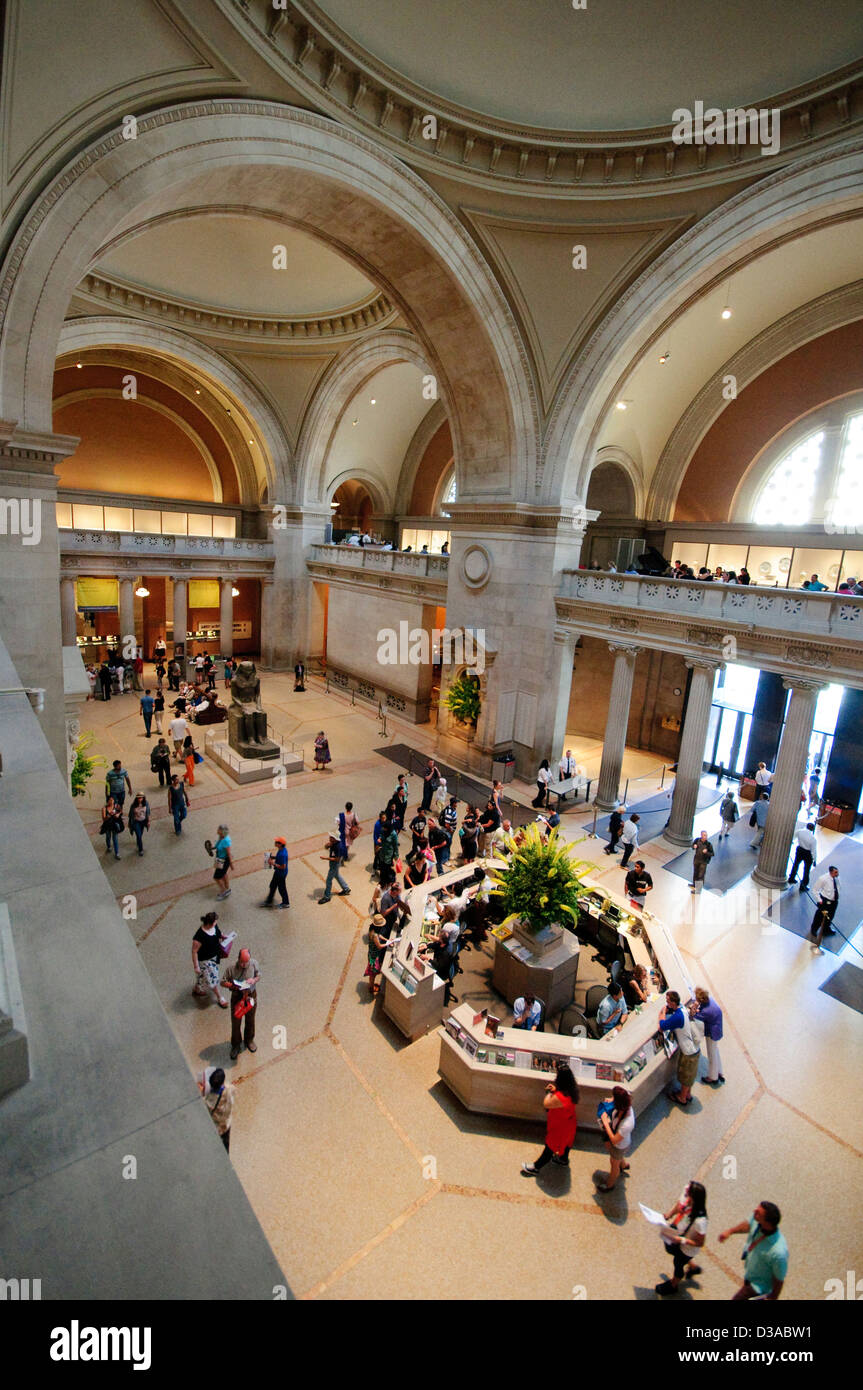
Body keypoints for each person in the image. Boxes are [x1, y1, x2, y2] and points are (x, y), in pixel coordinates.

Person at [719, 1202, 788, 1301]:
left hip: (758, 1288)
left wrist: (773, 1297)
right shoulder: (758, 1221)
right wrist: (730, 1231)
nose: (754, 1212)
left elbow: (779, 1279)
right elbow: (748, 1224)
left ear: (767, 1222)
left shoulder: (778, 1252)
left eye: (758, 1213)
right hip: (750, 1277)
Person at [520, 1065, 579, 1175]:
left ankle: (536, 1167)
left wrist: (549, 1093)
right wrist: (556, 1090)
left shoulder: (560, 1097)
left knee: (550, 1148)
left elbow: (546, 1104)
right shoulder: (572, 1090)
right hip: (570, 1123)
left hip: (560, 1127)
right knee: (567, 1144)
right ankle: (563, 1160)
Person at [655, 1181, 708, 1296]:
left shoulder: (700, 1221)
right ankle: (693, 1267)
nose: (686, 1197)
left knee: (678, 1263)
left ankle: (673, 1284)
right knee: (670, 1249)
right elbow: (679, 1205)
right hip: (678, 1235)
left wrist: (681, 1240)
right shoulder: (689, 1203)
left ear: (694, 1198)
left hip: (687, 1248)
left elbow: (700, 1242)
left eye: (688, 1195)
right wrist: (669, 1215)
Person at [659, 991, 702, 1106]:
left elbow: (662, 1026)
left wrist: (662, 1013)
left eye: (668, 1001)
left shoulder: (677, 1017)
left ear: (673, 1002)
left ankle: (682, 1098)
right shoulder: (682, 1008)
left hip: (688, 1052)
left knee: (685, 1075)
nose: (667, 1003)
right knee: (690, 1075)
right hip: (694, 1049)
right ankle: (687, 1094)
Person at [223, 946, 261, 1059]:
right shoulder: (231, 968)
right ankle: (235, 1045)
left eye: (246, 962)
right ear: (238, 958)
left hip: (250, 996)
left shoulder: (254, 964)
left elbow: (259, 975)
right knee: (236, 1022)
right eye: (242, 962)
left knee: (250, 1019)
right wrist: (232, 985)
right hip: (237, 997)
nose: (244, 964)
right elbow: (222, 982)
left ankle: (249, 1040)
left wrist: (253, 980)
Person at [595, 1086, 634, 1191]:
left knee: (613, 1164)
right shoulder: (626, 1101)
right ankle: (624, 1165)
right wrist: (611, 1099)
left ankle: (609, 1185)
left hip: (619, 1145)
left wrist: (605, 1122)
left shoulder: (627, 1123)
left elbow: (614, 1140)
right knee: (617, 1157)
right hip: (621, 1142)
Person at [191, 912, 229, 1007]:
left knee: (202, 975)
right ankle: (220, 997)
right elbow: (194, 951)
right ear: (210, 923)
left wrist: (224, 936)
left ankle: (197, 988)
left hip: (214, 957)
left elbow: (219, 933)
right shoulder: (199, 936)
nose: (216, 924)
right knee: (213, 979)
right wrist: (196, 966)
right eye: (215, 922)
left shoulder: (214, 927)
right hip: (206, 961)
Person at [695, 987, 725, 1085]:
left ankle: (713, 1077)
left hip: (711, 1033)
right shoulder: (711, 1001)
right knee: (715, 1051)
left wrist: (694, 1008)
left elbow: (693, 1016)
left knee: (711, 1055)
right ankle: (719, 1071)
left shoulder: (706, 1012)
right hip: (717, 1030)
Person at [200, 1066, 234, 1152]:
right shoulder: (229, 1089)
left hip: (216, 1127)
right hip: (226, 1124)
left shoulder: (209, 1102)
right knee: (226, 1143)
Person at [810, 865, 839, 946]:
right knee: (819, 916)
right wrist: (819, 900)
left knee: (830, 916)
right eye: (835, 872)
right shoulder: (823, 879)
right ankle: (814, 929)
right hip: (825, 901)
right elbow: (815, 890)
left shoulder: (837, 878)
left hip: (834, 901)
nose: (837, 874)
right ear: (831, 872)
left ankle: (826, 929)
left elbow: (838, 888)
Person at [319, 834, 350, 903]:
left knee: (328, 880)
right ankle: (346, 888)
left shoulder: (338, 847)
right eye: (330, 837)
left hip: (335, 864)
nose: (330, 838)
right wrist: (327, 845)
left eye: (332, 837)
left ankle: (327, 896)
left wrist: (325, 858)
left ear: (335, 839)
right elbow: (326, 847)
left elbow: (337, 859)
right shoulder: (333, 843)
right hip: (333, 863)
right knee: (336, 875)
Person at [787, 820, 817, 890]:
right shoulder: (813, 838)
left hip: (800, 850)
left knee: (796, 864)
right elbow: (813, 851)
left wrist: (792, 841)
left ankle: (791, 878)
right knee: (806, 870)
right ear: (813, 829)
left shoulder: (800, 831)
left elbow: (794, 836)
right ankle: (803, 885)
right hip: (807, 853)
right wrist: (814, 860)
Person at [364, 913, 389, 995]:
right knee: (373, 974)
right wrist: (387, 944)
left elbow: (380, 936)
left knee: (373, 973)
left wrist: (387, 940)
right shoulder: (374, 935)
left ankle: (371, 985)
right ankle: (371, 987)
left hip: (372, 953)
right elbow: (379, 946)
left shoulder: (372, 929)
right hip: (374, 956)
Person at [262, 836, 290, 908]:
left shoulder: (282, 854)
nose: (275, 842)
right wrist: (273, 857)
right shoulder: (281, 849)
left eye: (277, 842)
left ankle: (285, 903)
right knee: (273, 885)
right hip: (278, 872)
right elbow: (279, 858)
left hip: (281, 874)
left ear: (280, 844)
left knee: (281, 888)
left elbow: (283, 866)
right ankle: (269, 901)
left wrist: (273, 863)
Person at [690, 829, 714, 893]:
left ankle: (698, 890)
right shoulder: (697, 840)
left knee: (701, 875)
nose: (705, 837)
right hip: (696, 860)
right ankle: (694, 884)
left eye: (706, 835)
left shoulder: (708, 844)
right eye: (704, 835)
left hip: (703, 862)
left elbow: (712, 854)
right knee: (695, 873)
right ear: (701, 836)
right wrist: (693, 846)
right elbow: (692, 846)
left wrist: (706, 853)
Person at [212, 824, 233, 900]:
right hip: (219, 858)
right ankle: (227, 887)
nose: (217, 830)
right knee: (223, 874)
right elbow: (217, 845)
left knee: (216, 877)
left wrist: (231, 864)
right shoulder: (221, 837)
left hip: (223, 860)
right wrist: (212, 848)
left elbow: (228, 853)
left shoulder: (226, 840)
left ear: (222, 831)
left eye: (219, 829)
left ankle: (224, 891)